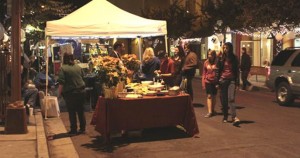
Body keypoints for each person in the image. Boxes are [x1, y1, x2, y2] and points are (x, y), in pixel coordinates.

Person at [58, 52, 86, 135]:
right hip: (81, 91)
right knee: (81, 110)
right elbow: (83, 77)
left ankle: (74, 129)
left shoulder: (63, 68)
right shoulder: (78, 67)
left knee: (72, 111)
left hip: (71, 93)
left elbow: (61, 82)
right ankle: (82, 128)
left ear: (64, 58)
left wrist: (59, 94)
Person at [216, 42, 240, 124]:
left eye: (227, 48)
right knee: (224, 100)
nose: (225, 49)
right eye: (224, 48)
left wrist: (237, 83)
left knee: (231, 99)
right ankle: (225, 116)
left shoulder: (234, 58)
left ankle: (234, 117)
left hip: (232, 80)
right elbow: (218, 71)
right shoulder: (221, 58)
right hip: (223, 80)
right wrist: (217, 82)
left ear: (230, 48)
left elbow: (237, 71)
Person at [202, 50, 218, 118]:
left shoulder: (217, 62)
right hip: (208, 81)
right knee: (209, 96)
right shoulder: (206, 62)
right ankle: (209, 112)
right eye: (208, 54)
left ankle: (213, 110)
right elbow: (204, 73)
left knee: (214, 95)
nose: (209, 56)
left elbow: (219, 72)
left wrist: (218, 82)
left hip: (215, 81)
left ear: (214, 55)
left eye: (211, 54)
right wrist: (203, 82)